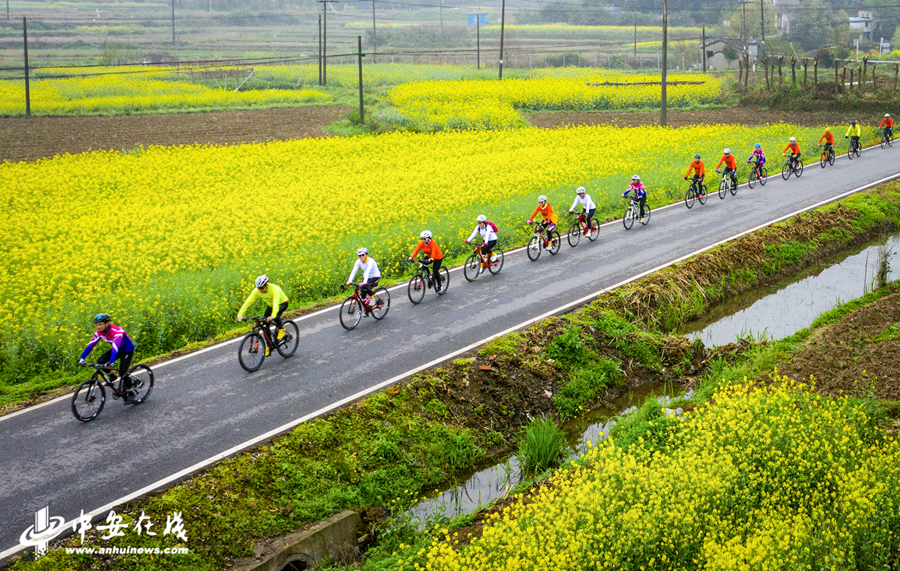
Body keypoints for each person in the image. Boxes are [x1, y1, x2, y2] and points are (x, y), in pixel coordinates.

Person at [78, 313, 138, 403]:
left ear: (107, 323)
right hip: (117, 350)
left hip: (127, 350)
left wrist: (111, 361)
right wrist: (82, 358)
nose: (98, 327)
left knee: (122, 373)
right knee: (100, 361)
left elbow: (115, 346)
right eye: (97, 324)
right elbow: (91, 344)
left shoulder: (116, 331)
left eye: (100, 324)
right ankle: (112, 376)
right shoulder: (99, 332)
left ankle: (130, 391)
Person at [237, 275, 290, 355]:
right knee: (265, 326)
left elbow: (276, 304)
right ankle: (269, 346)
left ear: (266, 285)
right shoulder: (256, 291)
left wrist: (273, 315)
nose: (260, 290)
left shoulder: (275, 289)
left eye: (262, 288)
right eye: (259, 288)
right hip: (271, 305)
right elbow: (248, 302)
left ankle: (281, 328)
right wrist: (240, 314)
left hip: (282, 303)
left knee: (276, 316)